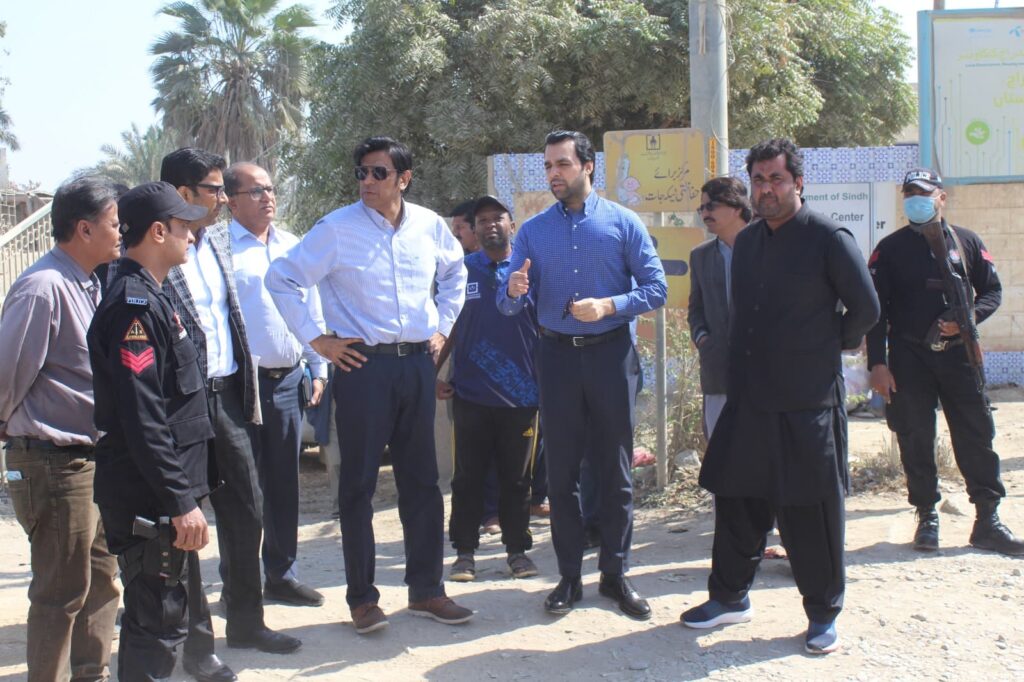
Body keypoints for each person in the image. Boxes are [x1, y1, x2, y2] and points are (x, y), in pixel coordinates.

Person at [267, 135, 472, 634]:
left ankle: (427, 590)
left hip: (417, 365)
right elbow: (282, 278)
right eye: (362, 172)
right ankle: (362, 600)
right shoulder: (336, 229)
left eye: (379, 173)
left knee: (422, 481)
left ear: (404, 179)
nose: (367, 181)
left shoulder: (429, 225)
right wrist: (318, 340)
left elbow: (455, 272)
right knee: (357, 485)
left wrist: (443, 327)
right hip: (363, 368)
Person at [682, 139, 879, 655]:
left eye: (776, 179)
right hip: (749, 398)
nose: (767, 189)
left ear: (798, 182)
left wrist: (824, 345)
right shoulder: (748, 242)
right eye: (759, 180)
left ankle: (822, 613)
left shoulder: (828, 238)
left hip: (805, 401)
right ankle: (729, 597)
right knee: (737, 500)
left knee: (809, 511)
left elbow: (866, 309)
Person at [499, 130, 667, 620]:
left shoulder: (622, 222)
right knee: (562, 472)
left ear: (588, 166)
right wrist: (512, 291)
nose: (553, 174)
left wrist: (610, 305)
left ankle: (615, 575)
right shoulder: (532, 232)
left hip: (611, 356)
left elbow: (657, 288)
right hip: (556, 359)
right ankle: (569, 577)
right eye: (548, 166)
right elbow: (509, 305)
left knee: (615, 471)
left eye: (563, 164)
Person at [87, 181, 214, 680]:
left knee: (165, 616)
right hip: (150, 496)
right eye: (184, 226)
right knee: (157, 623)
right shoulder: (134, 306)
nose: (192, 236)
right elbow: (143, 417)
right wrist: (179, 500)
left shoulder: (153, 296)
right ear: (158, 232)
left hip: (160, 492)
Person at [0, 176, 121, 682]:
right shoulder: (42, 288)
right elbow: (7, 376)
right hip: (53, 461)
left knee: (102, 581)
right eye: (114, 223)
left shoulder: (89, 282)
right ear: (84, 228)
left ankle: (91, 674)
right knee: (60, 592)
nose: (121, 233)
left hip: (90, 460)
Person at [868, 167, 1024, 556]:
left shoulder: (966, 241)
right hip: (909, 357)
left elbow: (992, 291)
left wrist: (966, 319)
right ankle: (927, 516)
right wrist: (877, 364)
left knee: (975, 434)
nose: (914, 200)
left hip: (959, 356)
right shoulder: (889, 249)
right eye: (909, 194)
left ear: (941, 197)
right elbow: (875, 312)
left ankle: (987, 519)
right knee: (915, 435)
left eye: (923, 193)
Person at [225, 161, 329, 602]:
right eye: (255, 191)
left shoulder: (292, 246)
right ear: (230, 201)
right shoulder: (218, 250)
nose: (267, 197)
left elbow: (311, 308)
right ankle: (239, 584)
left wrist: (318, 366)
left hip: (288, 381)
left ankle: (282, 575)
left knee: (285, 484)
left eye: (270, 189)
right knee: (243, 489)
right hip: (238, 387)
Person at [437, 195, 541, 582]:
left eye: (498, 217)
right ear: (474, 230)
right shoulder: (462, 271)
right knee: (468, 477)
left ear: (512, 225)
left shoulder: (531, 269)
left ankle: (517, 551)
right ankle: (464, 553)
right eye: (482, 220)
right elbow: (446, 326)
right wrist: (433, 373)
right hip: (470, 393)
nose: (491, 224)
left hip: (522, 395)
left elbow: (548, 326)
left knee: (517, 479)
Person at [688, 177, 751, 438]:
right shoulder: (700, 256)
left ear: (736, 207)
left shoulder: (767, 246)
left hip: (763, 373)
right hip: (718, 371)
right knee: (719, 447)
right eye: (701, 208)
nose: (705, 214)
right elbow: (696, 309)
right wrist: (703, 338)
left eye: (711, 206)